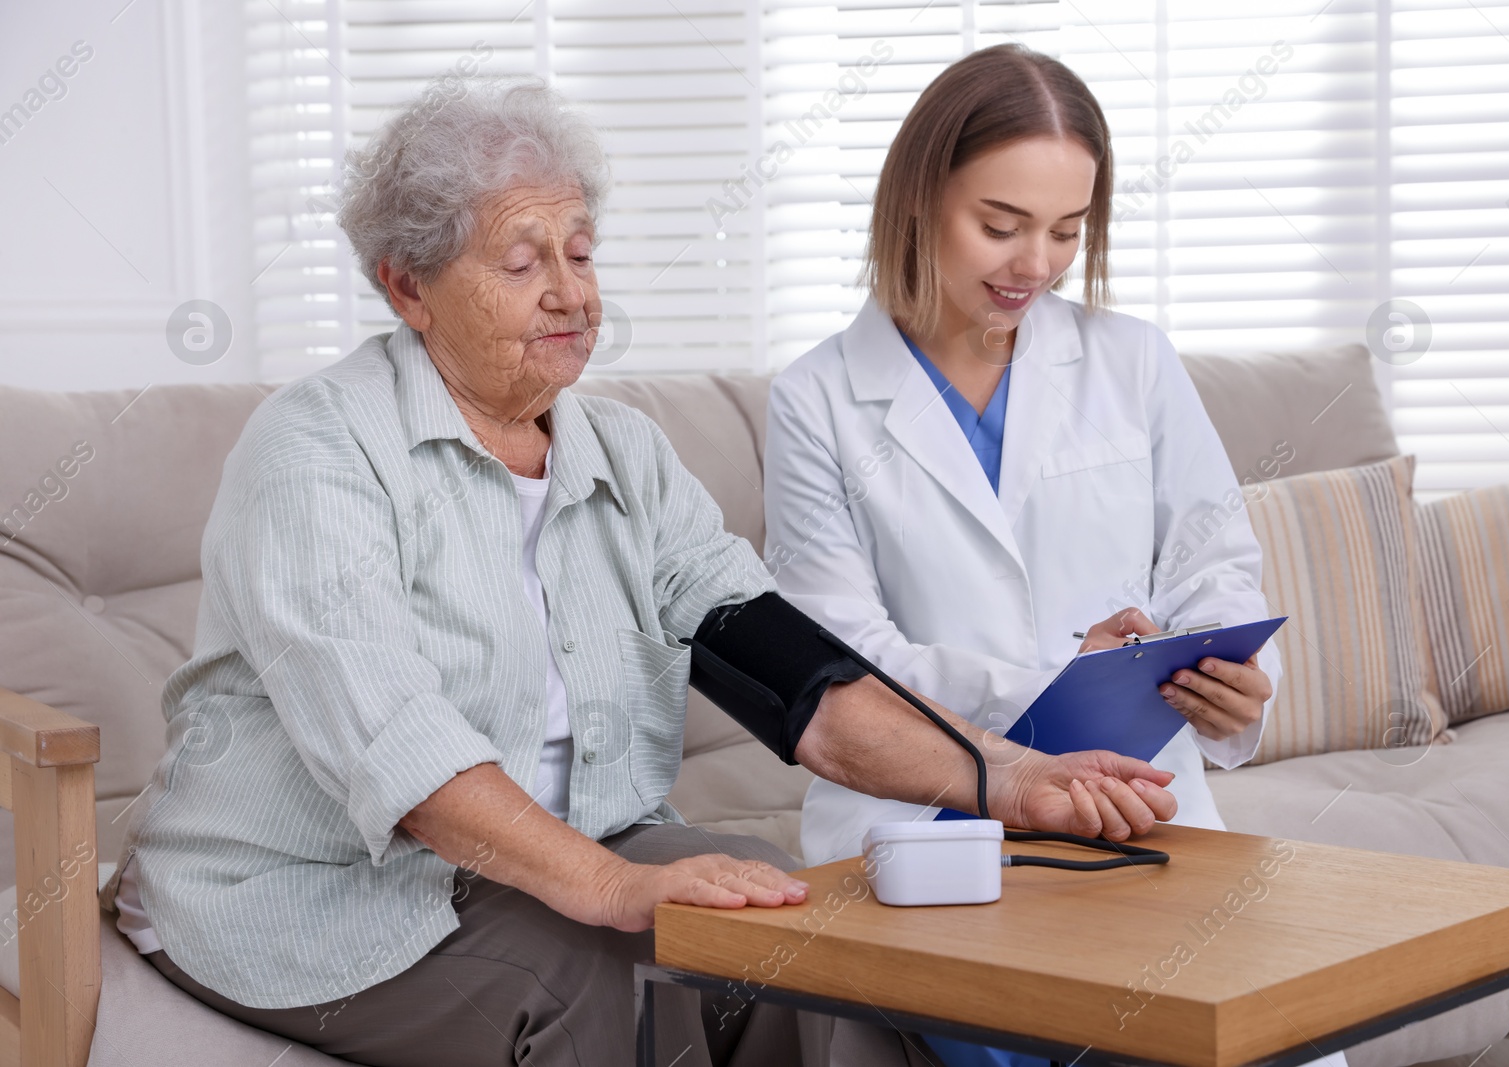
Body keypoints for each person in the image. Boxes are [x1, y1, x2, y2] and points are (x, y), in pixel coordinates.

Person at [102, 76, 1179, 1067]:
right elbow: (398, 743)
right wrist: (617, 886)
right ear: (407, 286)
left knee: (797, 942)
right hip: (305, 885)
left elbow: (787, 670)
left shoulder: (622, 452)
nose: (571, 293)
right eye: (523, 262)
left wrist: (999, 770)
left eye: (582, 250)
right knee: (601, 983)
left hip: (557, 842)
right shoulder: (316, 448)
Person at [764, 45, 1342, 1067]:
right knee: (1053, 1026)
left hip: (1135, 798)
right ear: (915, 198)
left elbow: (1214, 556)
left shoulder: (1133, 361)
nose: (1034, 262)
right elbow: (840, 652)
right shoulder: (815, 398)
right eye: (1000, 224)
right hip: (936, 810)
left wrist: (1232, 674)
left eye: (1065, 231)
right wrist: (1058, 676)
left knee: (1277, 1031)